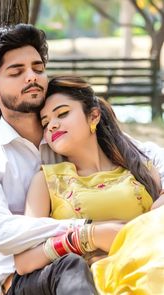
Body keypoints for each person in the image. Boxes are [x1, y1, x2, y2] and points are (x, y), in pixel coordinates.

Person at [0, 24, 164, 295]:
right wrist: (88, 230)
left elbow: (145, 155)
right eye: (17, 72)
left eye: (38, 68)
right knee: (71, 265)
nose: (31, 77)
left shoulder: (73, 133)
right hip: (29, 278)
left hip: (105, 262)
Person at [13, 75, 162, 275]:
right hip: (88, 283)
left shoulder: (140, 169)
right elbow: (24, 261)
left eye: (62, 113)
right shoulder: (47, 181)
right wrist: (85, 237)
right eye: (45, 122)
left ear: (94, 116)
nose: (52, 125)